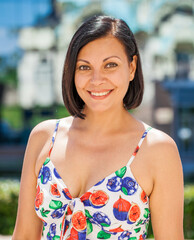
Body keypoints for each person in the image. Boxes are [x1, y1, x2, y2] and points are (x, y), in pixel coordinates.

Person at [12, 15, 184, 240]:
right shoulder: (44, 137)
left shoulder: (157, 149)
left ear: (132, 68)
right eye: (84, 67)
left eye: (110, 65)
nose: (96, 79)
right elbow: (24, 236)